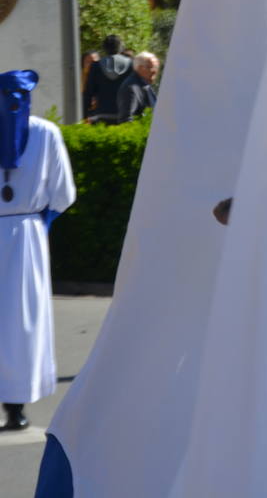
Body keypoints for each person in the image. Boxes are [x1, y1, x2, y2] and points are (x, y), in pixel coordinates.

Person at [0, 70, 76, 431]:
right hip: (27, 237)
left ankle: (14, 403)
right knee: (21, 320)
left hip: (26, 232)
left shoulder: (46, 133)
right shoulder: (46, 133)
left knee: (17, 320)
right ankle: (16, 406)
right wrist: (38, 221)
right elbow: (63, 194)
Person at [83, 35, 131, 124]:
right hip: (125, 116)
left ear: (104, 48)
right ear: (120, 47)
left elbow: (88, 93)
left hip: (102, 115)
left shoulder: (95, 66)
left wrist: (85, 115)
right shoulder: (131, 64)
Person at [116, 52, 159, 123]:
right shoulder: (131, 88)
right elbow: (126, 119)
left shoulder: (145, 85)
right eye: (151, 67)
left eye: (156, 67)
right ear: (140, 68)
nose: (155, 71)